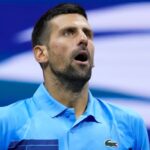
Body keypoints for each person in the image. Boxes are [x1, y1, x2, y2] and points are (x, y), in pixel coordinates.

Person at [0, 3, 149, 150]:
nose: (83, 39)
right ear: (41, 54)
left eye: (88, 34)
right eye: (69, 32)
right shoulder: (5, 123)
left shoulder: (130, 124)